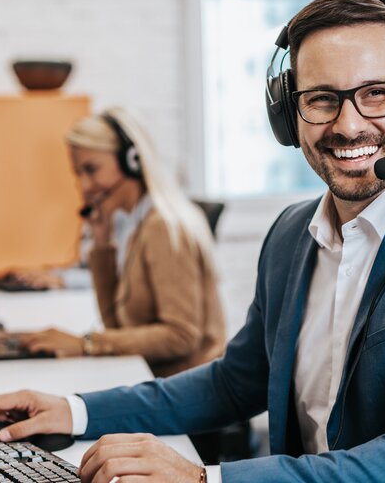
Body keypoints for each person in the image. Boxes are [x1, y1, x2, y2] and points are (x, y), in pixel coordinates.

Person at [0, 0, 385, 482]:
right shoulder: (295, 233)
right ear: (288, 118)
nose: (349, 124)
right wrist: (72, 409)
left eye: (378, 93)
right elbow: (233, 382)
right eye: (321, 100)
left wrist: (202, 478)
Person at [15, 107, 227, 380]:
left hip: (190, 389)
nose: (84, 186)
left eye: (91, 169)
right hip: (159, 379)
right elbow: (116, 326)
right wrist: (102, 246)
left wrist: (86, 344)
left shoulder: (162, 227)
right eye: (78, 173)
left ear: (132, 161)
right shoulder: (134, 225)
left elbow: (181, 336)